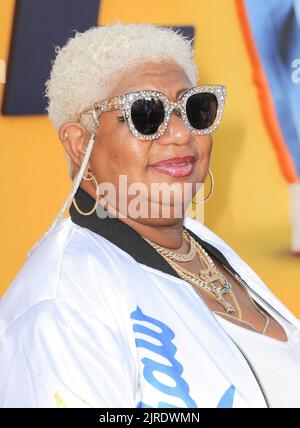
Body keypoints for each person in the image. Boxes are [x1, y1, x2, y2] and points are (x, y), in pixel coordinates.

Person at [0, 23, 299, 408]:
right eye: (145, 113)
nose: (179, 134)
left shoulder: (202, 247)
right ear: (79, 143)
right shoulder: (63, 301)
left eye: (194, 108)